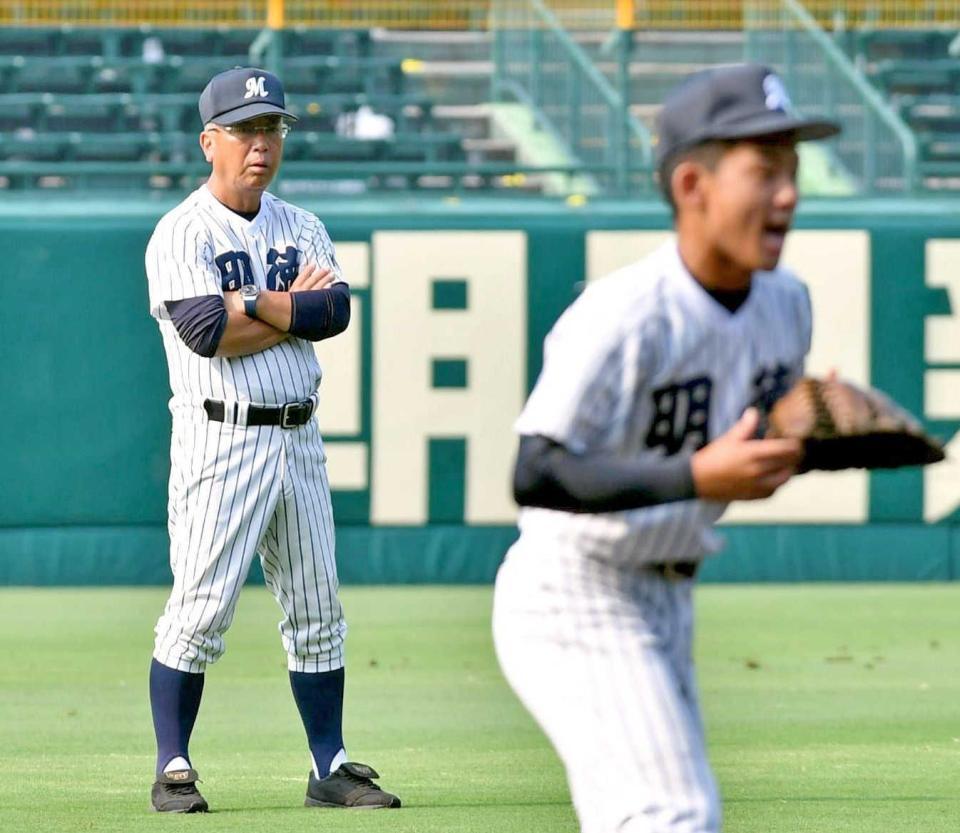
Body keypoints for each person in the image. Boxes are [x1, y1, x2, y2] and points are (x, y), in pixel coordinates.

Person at [492, 63, 840, 833]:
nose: (787, 193)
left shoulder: (788, 304)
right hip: (575, 589)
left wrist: (824, 432)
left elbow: (747, 442)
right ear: (693, 185)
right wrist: (698, 473)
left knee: (657, 814)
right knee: (668, 814)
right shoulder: (623, 314)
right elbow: (535, 469)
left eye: (793, 170)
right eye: (764, 171)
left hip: (668, 594)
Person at [144, 67, 400, 814]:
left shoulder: (301, 224)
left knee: (318, 609)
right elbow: (205, 332)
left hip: (299, 433)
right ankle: (173, 765)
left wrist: (251, 300)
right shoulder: (182, 231)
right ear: (209, 141)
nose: (262, 144)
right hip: (220, 437)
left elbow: (335, 311)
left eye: (273, 128)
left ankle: (331, 763)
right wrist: (289, 304)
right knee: (199, 610)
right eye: (246, 130)